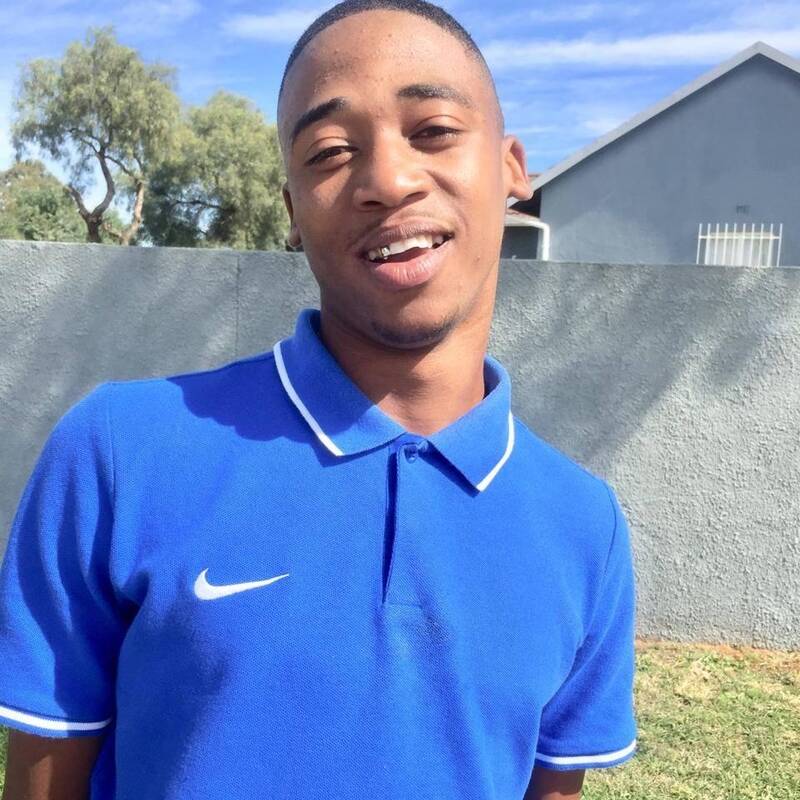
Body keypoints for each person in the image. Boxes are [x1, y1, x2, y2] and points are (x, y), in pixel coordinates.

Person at [0, 2, 638, 798]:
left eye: (433, 130)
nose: (388, 181)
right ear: (293, 210)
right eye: (331, 151)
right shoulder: (118, 452)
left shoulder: (583, 525)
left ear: (513, 170)